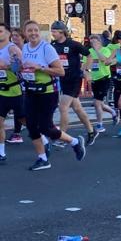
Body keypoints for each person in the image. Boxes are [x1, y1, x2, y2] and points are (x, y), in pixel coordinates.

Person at [21, 20, 87, 170]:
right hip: (31, 91)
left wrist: (40, 67)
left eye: (35, 30)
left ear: (39, 32)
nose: (33, 33)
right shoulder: (25, 48)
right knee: (31, 127)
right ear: (25, 33)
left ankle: (75, 142)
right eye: (29, 31)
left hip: (48, 93)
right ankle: (43, 159)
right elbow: (26, 67)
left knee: (46, 127)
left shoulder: (47, 48)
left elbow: (60, 71)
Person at [49, 20, 97, 145]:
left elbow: (89, 55)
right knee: (77, 108)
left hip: (74, 79)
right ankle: (91, 131)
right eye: (52, 31)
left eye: (54, 31)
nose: (52, 33)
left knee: (63, 107)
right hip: (62, 80)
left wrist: (86, 69)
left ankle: (62, 137)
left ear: (62, 32)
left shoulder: (73, 44)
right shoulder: (53, 45)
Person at [0, 21, 23, 163]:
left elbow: (19, 67)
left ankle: (43, 140)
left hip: (14, 90)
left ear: (8, 33)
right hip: (1, 92)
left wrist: (6, 66)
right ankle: (1, 152)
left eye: (1, 31)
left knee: (24, 120)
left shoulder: (12, 48)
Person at [85, 33, 118, 130]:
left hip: (104, 78)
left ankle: (100, 124)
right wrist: (86, 73)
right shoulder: (89, 51)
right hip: (94, 79)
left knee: (97, 103)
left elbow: (104, 60)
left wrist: (96, 50)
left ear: (100, 42)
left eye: (95, 40)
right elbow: (85, 65)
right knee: (100, 103)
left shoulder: (105, 50)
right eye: (91, 41)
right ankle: (113, 112)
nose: (92, 42)